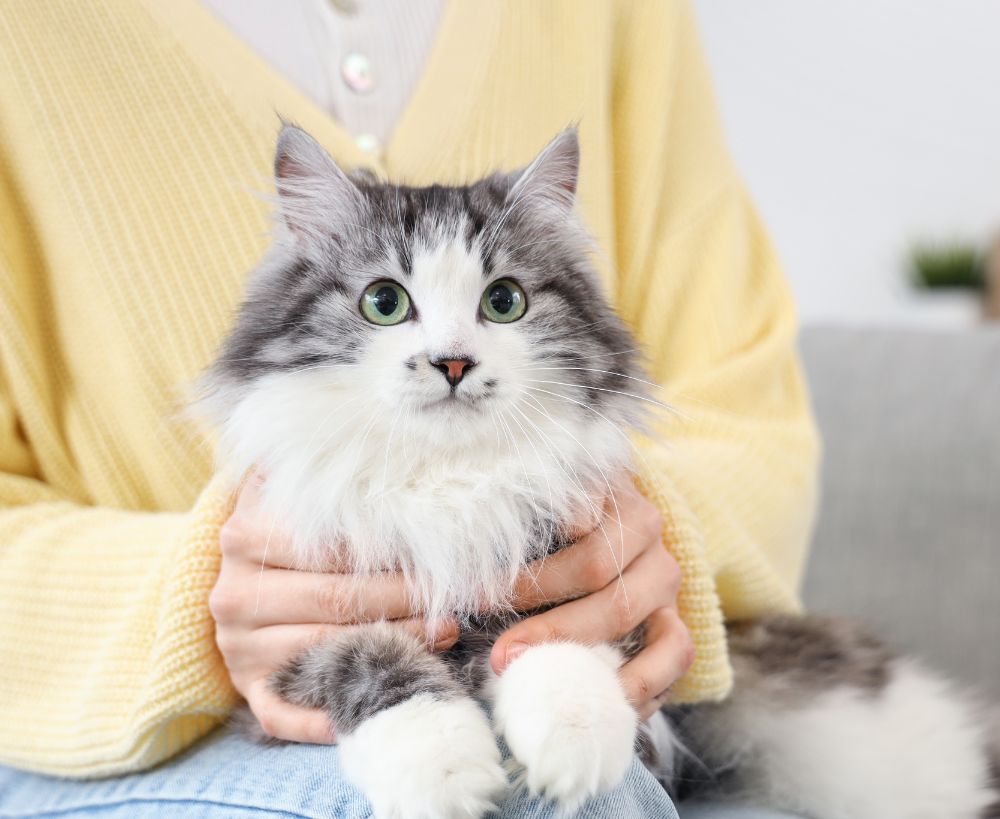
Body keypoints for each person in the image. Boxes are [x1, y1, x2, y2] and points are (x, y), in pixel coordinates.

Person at [0, 1, 819, 816]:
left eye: (502, 301)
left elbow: (757, 432)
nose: (452, 355)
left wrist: (626, 544)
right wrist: (195, 593)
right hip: (101, 735)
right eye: (387, 303)